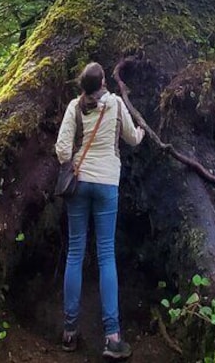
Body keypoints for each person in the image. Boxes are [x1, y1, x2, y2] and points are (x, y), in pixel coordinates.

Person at [54, 62, 145, 359]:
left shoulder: (74, 106)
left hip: (79, 184)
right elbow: (131, 138)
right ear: (103, 81)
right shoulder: (116, 103)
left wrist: (74, 163)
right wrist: (142, 131)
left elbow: (63, 150)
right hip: (107, 184)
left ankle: (69, 332)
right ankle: (112, 337)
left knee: (75, 253)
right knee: (106, 255)